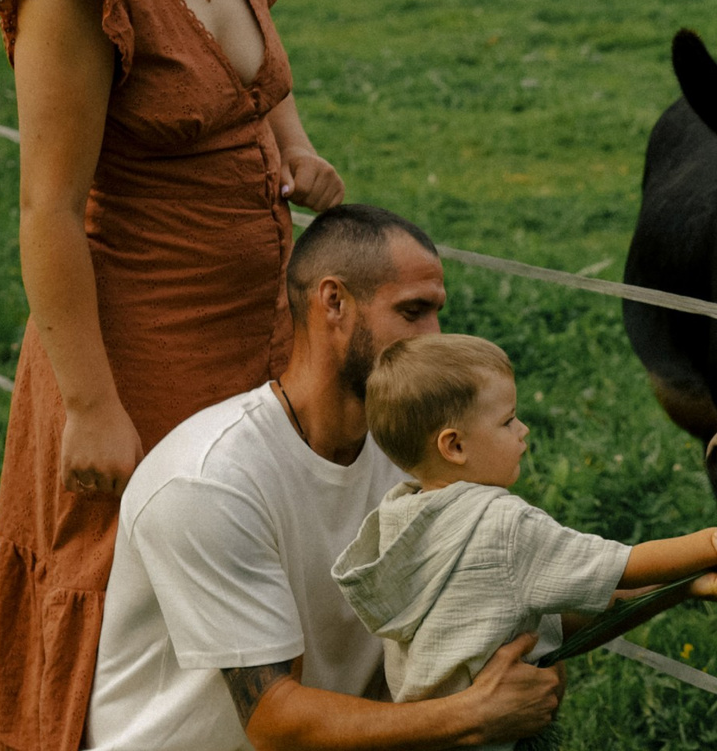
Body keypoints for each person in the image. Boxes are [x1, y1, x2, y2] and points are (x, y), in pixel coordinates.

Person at [0, 0, 342, 751]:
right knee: (129, 581)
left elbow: (255, 76)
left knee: (239, 558)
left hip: (251, 330)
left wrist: (296, 149)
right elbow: (48, 209)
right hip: (136, 347)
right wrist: (91, 408)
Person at [84, 210, 563, 749]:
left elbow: (506, 583)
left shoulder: (418, 451)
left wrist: (672, 575)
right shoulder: (209, 481)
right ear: (333, 303)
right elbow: (273, 721)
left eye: (436, 314)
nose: (434, 338)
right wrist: (474, 713)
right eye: (413, 312)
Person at [334, 335, 717, 700]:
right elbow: (622, 566)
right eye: (508, 421)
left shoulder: (401, 516)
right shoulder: (501, 525)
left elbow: (593, 600)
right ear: (454, 446)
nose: (524, 430)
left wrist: (688, 585)